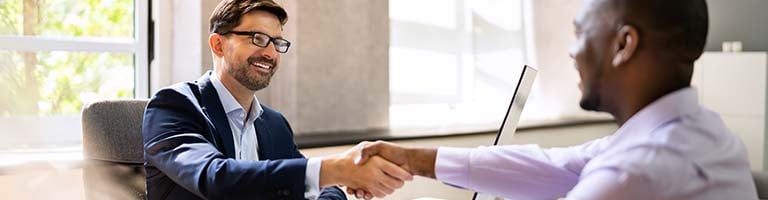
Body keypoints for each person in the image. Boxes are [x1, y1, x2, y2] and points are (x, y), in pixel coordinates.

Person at [351, 0, 758, 199]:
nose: (572, 51)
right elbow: (560, 165)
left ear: (623, 44)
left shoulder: (635, 175)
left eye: (580, 33)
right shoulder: (711, 134)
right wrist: (413, 159)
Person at [142, 0, 411, 199]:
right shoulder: (173, 107)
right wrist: (335, 169)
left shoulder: (274, 123)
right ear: (218, 45)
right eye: (258, 38)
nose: (270, 53)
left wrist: (331, 177)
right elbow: (215, 178)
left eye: (277, 42)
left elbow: (326, 190)